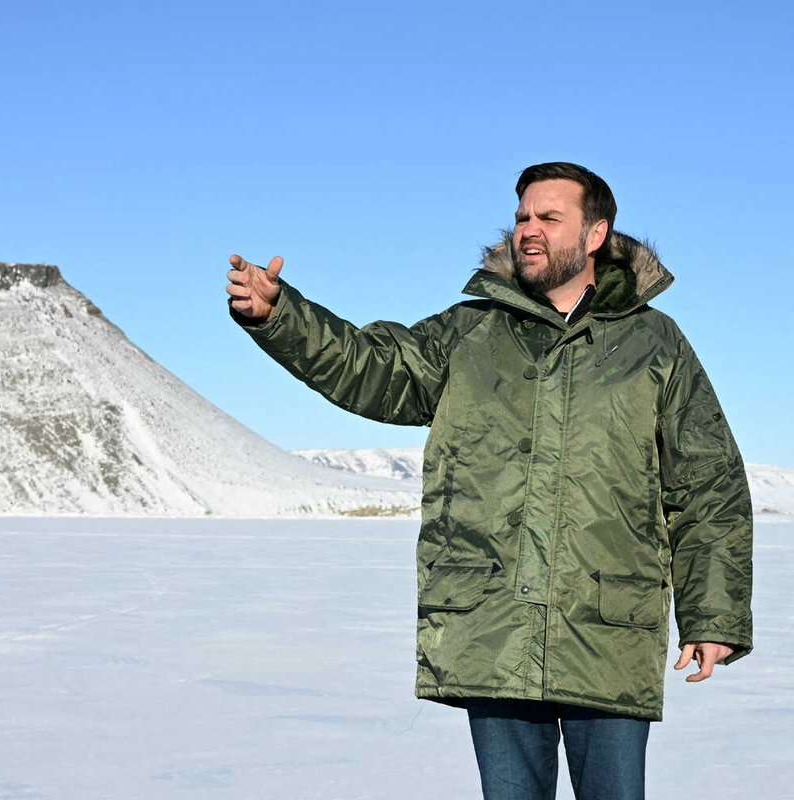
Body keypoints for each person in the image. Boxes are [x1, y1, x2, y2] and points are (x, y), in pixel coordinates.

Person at [225, 162, 753, 800]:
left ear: (594, 234)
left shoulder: (654, 343)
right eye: (522, 217)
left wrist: (713, 614)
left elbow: (707, 485)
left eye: (549, 218)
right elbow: (372, 369)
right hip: (493, 622)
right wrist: (281, 315)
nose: (529, 230)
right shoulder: (469, 331)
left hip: (609, 627)